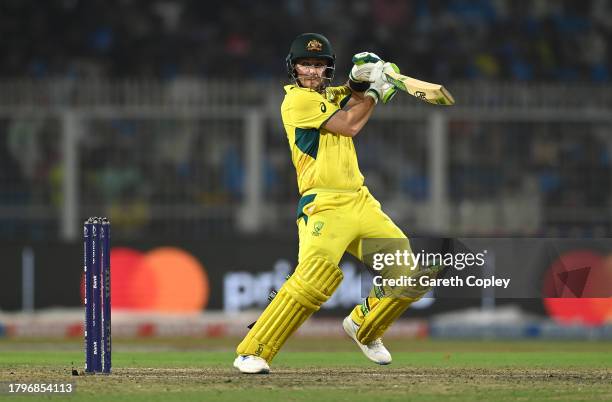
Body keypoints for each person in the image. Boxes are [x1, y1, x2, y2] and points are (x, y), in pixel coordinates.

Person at [233, 32, 437, 374]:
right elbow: (350, 124)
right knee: (313, 279)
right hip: (323, 204)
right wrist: (375, 90)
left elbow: (348, 94)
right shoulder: (296, 101)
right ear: (293, 68)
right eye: (306, 65)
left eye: (319, 65)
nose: (312, 72)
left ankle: (364, 326)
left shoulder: (327, 94)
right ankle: (253, 351)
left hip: (360, 200)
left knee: (407, 272)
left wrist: (360, 78)